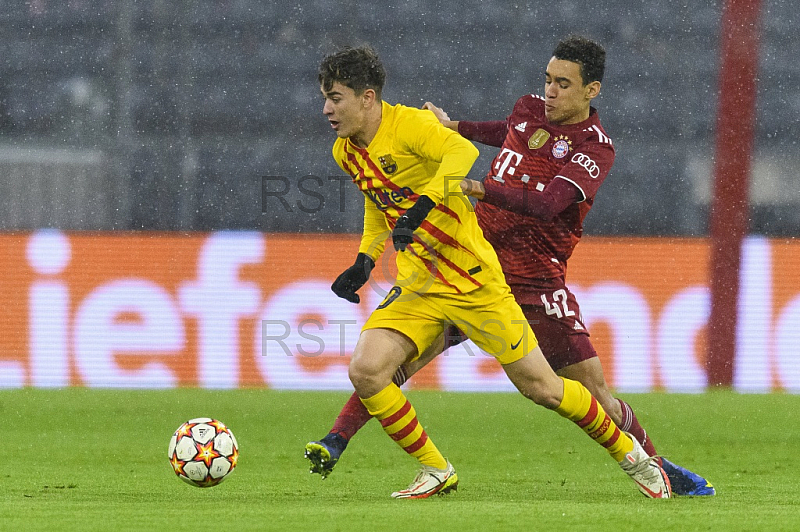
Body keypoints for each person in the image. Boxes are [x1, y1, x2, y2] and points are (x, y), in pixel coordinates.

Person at [307, 37, 714, 497]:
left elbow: (550, 204)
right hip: (472, 255)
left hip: (534, 274)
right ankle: (339, 439)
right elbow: (509, 132)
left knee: (582, 390)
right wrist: (454, 125)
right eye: (548, 80)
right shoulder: (529, 109)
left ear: (591, 91)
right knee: (392, 361)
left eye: (563, 84)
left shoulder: (595, 149)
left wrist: (480, 188)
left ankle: (654, 466)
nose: (551, 91)